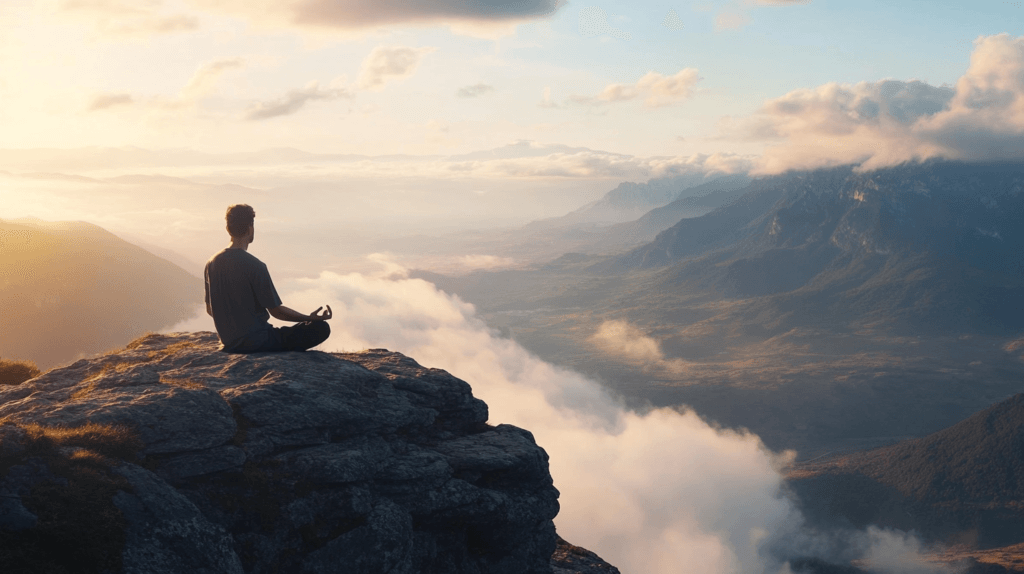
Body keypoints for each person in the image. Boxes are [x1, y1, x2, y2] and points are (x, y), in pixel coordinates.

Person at [204, 204, 331, 353]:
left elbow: (210, 309)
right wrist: (308, 318)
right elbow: (277, 312)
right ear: (250, 228)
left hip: (228, 343)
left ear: (227, 229)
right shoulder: (255, 266)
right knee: (321, 328)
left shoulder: (211, 263)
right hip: (259, 342)